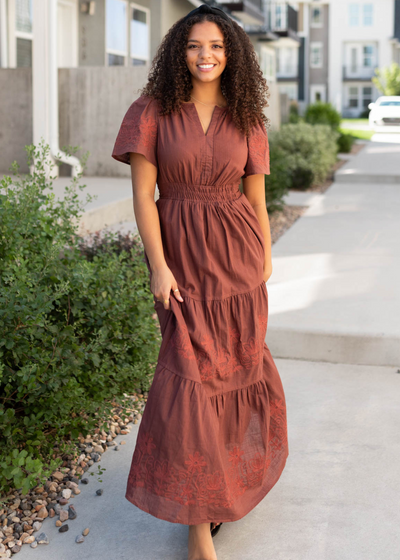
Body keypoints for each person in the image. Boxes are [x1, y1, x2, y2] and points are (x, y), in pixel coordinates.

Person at [111, 4, 288, 560]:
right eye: (193, 46)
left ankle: (218, 497)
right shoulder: (153, 110)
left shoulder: (248, 114)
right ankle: (196, 530)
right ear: (178, 52)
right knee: (189, 383)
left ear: (231, 52)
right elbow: (144, 196)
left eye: (215, 45)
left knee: (234, 374)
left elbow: (255, 199)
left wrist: (263, 262)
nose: (205, 55)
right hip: (182, 264)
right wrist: (158, 267)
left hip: (239, 266)